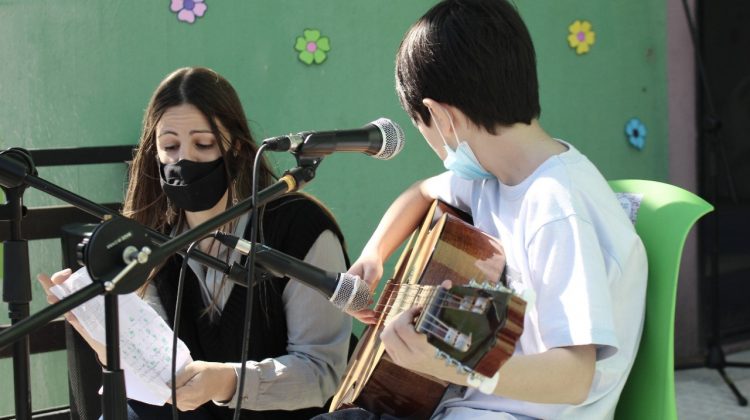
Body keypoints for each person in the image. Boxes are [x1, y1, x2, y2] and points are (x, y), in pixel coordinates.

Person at [332, 0, 648, 419]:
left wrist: (453, 366)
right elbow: (422, 192)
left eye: (421, 127)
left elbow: (575, 376)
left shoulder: (557, 207)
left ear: (441, 117)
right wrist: (374, 255)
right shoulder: (494, 177)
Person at [38, 67, 353, 419]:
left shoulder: (300, 228)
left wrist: (228, 382)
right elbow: (159, 370)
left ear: (234, 145)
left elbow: (323, 372)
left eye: (203, 144)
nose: (183, 160)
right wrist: (104, 338)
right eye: (169, 147)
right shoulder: (151, 242)